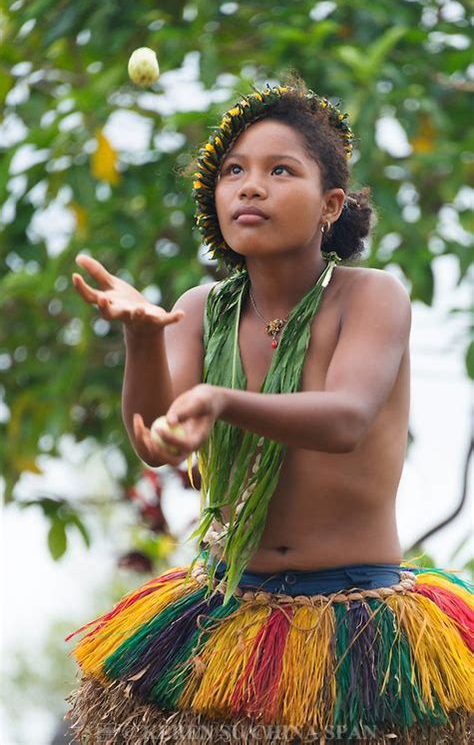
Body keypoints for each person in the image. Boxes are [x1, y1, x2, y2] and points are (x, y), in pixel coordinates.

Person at [65, 77, 473, 743]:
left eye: (280, 171)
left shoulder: (369, 298)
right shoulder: (199, 309)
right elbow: (156, 441)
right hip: (229, 606)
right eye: (234, 171)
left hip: (357, 616)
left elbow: (344, 420)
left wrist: (223, 400)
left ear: (329, 206)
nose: (250, 186)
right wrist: (142, 338)